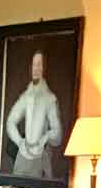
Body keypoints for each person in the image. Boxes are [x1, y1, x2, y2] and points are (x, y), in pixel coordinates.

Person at [5, 51, 62, 179]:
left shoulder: (50, 98)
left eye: (39, 64)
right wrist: (19, 141)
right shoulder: (26, 97)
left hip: (39, 157)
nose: (36, 68)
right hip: (22, 156)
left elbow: (57, 133)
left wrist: (45, 138)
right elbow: (10, 122)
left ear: (44, 68)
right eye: (34, 65)